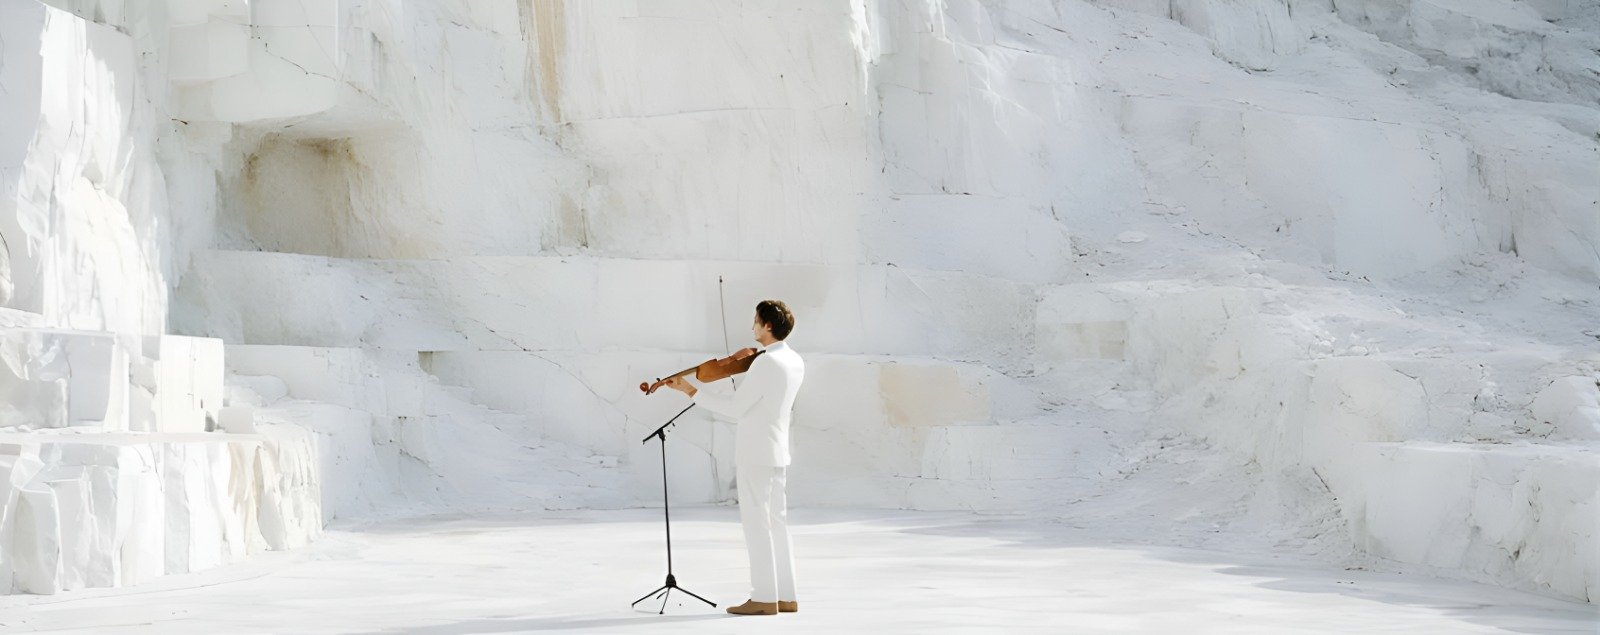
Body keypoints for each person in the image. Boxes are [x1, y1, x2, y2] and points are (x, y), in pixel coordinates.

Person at [663, 299, 805, 616]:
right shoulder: (794, 360)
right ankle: (786, 595)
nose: (752, 326)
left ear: (768, 325)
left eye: (756, 321)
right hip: (778, 449)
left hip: (756, 452)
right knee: (777, 524)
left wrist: (690, 390)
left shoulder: (767, 363)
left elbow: (737, 409)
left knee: (756, 524)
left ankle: (764, 597)